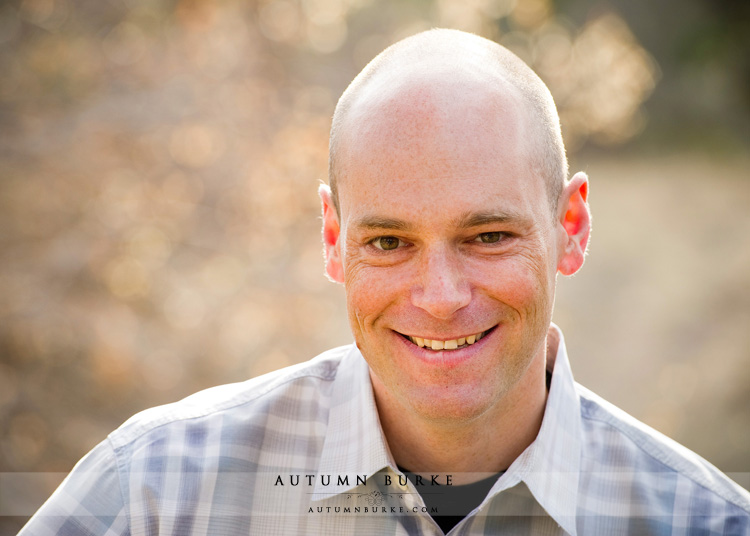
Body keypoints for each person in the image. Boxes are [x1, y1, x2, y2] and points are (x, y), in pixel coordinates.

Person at [20, 29, 750, 536]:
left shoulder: (703, 522)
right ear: (334, 240)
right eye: (390, 242)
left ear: (572, 225)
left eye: (488, 236)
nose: (439, 295)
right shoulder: (156, 493)